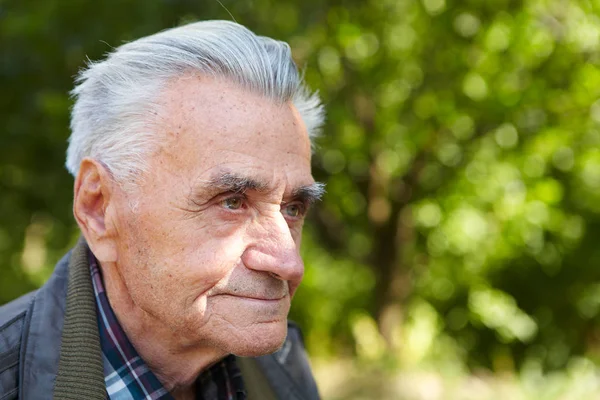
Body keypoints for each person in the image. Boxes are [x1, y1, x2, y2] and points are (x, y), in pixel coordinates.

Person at [0, 20, 324, 400]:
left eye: (293, 208)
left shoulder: (283, 365)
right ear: (99, 209)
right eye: (232, 202)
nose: (289, 263)